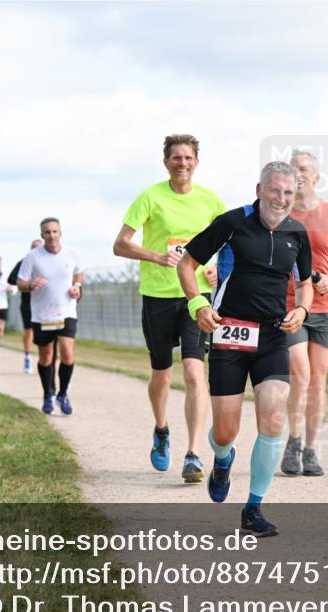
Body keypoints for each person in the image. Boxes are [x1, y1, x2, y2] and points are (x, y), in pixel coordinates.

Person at [177, 161, 313, 537]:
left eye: (288, 193)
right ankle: (222, 458)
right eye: (275, 190)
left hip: (272, 336)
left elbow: (305, 284)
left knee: (272, 418)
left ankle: (253, 508)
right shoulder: (232, 223)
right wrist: (198, 305)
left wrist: (301, 309)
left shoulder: (298, 234)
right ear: (259, 189)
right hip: (229, 334)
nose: (281, 199)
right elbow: (188, 264)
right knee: (226, 430)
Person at [113, 133, 224, 483]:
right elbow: (120, 245)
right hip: (158, 296)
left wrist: (219, 266)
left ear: (197, 162)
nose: (183, 164)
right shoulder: (150, 197)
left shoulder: (211, 201)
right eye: (176, 158)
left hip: (197, 297)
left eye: (188, 158)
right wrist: (157, 256)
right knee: (161, 373)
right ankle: (161, 429)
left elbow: (231, 242)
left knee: (194, 373)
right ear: (166, 162)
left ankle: (193, 454)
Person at [279, 150, 328, 478]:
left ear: (316, 176)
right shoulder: (278, 215)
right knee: (300, 374)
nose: (297, 173)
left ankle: (310, 449)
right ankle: (292, 441)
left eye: (303, 169)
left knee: (318, 381)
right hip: (290, 305)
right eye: (292, 169)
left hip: (325, 306)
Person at [17, 218, 83, 415]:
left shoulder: (72, 254)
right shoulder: (33, 257)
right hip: (42, 315)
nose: (51, 235)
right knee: (46, 357)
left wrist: (77, 287)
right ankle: (48, 393)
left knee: (67, 352)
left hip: (66, 312)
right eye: (47, 232)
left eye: (55, 231)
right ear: (42, 235)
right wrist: (30, 285)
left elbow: (79, 275)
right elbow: (20, 282)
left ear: (60, 233)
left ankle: (63, 393)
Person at [9, 240, 44, 373]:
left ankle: (45, 361)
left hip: (44, 303)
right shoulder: (24, 262)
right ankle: (28, 356)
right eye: (34, 248)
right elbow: (11, 279)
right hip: (27, 302)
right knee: (29, 330)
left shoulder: (50, 261)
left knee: (45, 333)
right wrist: (27, 282)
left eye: (39, 248)